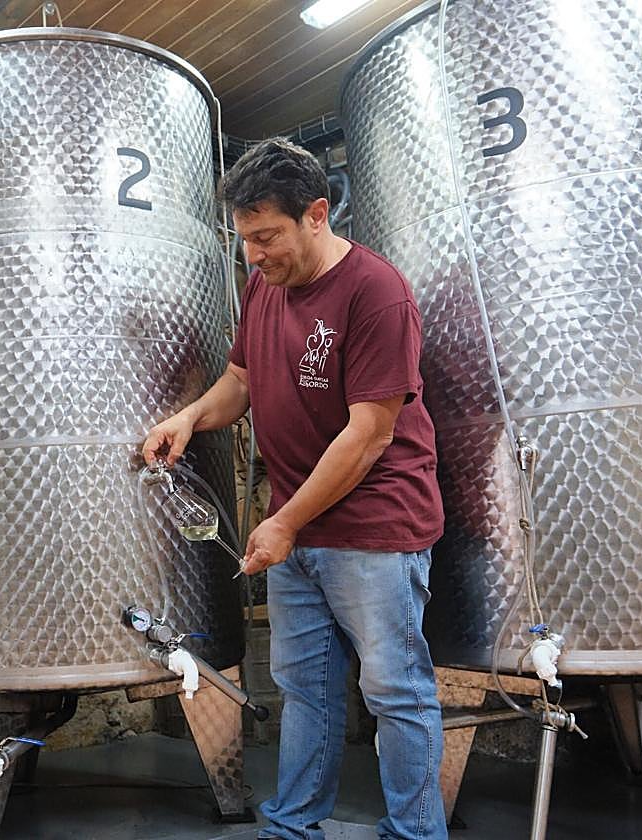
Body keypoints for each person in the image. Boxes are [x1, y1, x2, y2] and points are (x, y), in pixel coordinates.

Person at [142, 138, 446, 840]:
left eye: (267, 236)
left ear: (316, 214)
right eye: (245, 239)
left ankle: (416, 834)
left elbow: (369, 434)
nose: (254, 254)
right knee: (303, 688)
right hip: (298, 527)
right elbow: (243, 381)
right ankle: (293, 825)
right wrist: (190, 417)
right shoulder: (263, 285)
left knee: (394, 691)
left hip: (376, 525)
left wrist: (284, 522)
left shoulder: (376, 292)